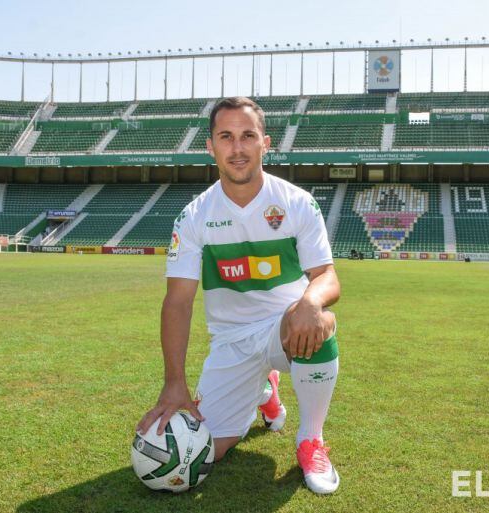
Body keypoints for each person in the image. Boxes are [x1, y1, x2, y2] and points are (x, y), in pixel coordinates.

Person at [136, 97, 341, 494]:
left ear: (266, 143)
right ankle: (265, 390)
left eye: (248, 136)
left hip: (287, 328)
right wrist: (174, 382)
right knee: (206, 451)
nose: (238, 147)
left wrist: (311, 301)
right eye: (226, 137)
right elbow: (177, 301)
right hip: (231, 340)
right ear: (210, 146)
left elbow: (326, 276)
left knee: (320, 322)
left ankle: (311, 438)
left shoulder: (297, 202)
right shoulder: (194, 216)